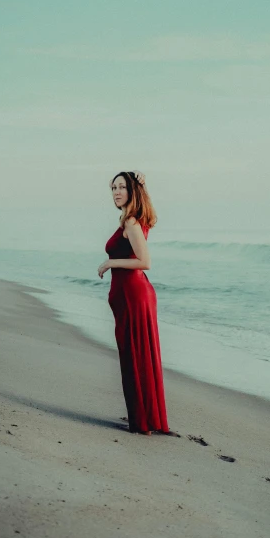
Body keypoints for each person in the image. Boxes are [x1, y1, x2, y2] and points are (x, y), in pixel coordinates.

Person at [97, 171, 176, 436]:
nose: (116, 192)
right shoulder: (133, 218)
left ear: (132, 192)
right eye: (113, 188)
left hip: (134, 295)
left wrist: (110, 262)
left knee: (135, 356)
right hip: (131, 296)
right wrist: (143, 184)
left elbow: (145, 262)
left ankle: (142, 421)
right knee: (137, 355)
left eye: (122, 187)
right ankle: (145, 417)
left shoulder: (131, 221)